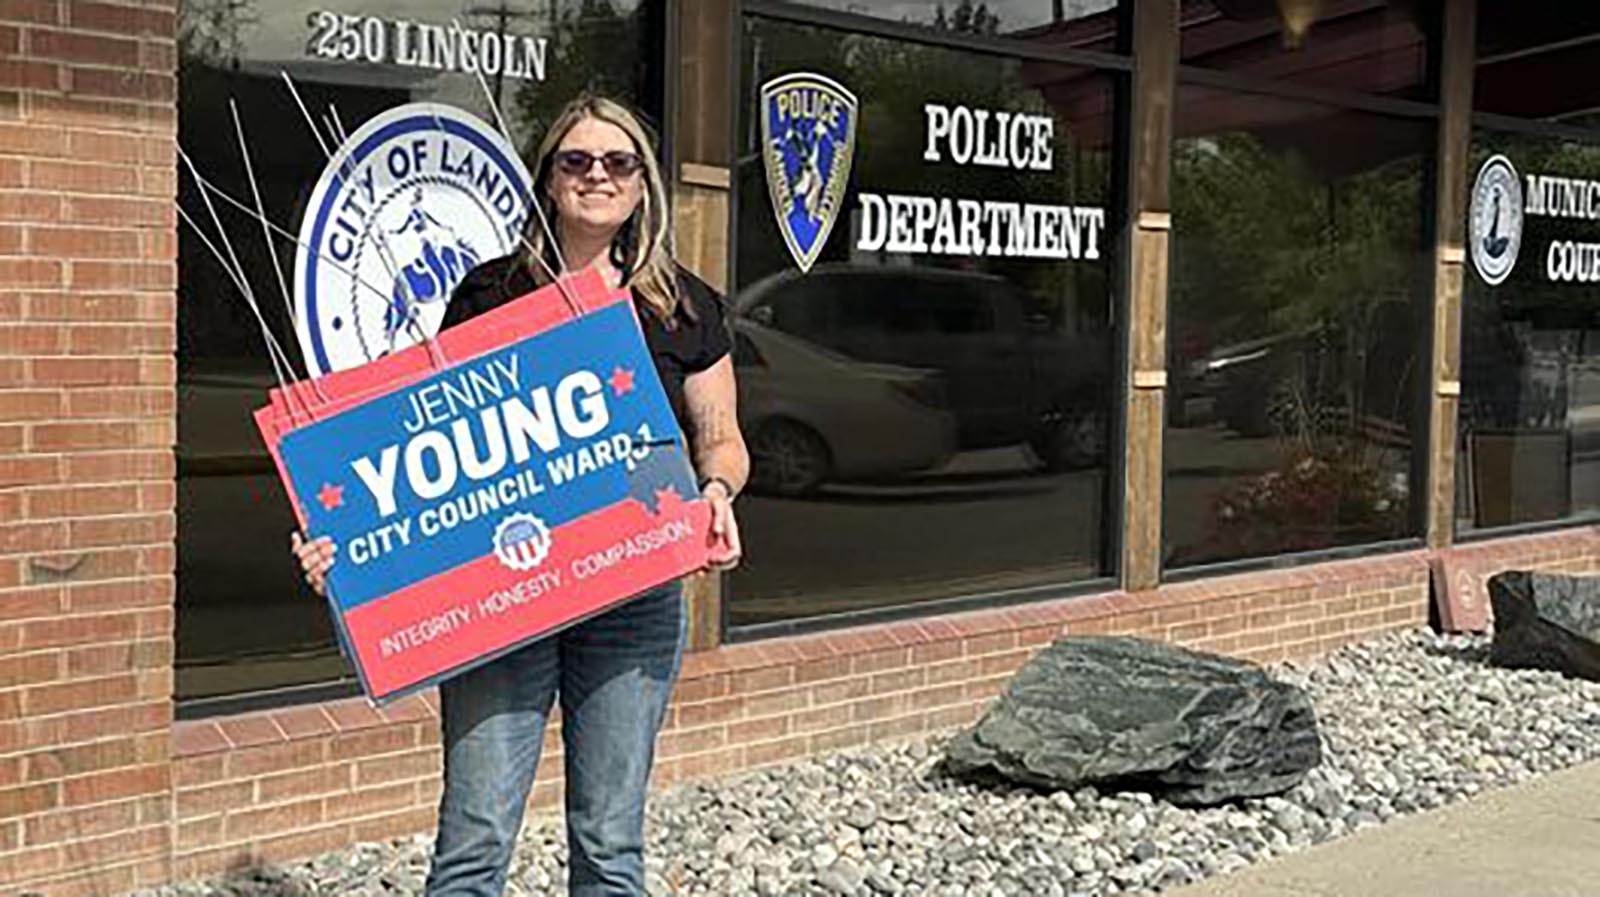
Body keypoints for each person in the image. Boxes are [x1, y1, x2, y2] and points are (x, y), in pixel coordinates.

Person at [290, 94, 749, 897]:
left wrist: (716, 490)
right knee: (474, 838)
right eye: (576, 161)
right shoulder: (490, 293)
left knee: (610, 842)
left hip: (635, 592)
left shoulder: (685, 304)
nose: (596, 176)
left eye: (618, 162)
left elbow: (723, 440)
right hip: (505, 593)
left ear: (644, 184)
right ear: (549, 177)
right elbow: (425, 443)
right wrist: (347, 539)